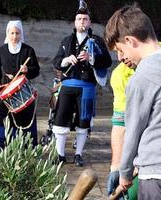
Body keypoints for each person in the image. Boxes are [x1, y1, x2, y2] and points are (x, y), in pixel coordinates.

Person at [105, 4, 161, 199]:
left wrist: (124, 173)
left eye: (120, 50)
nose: (121, 57)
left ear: (130, 40)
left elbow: (133, 130)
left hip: (157, 177)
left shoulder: (140, 78)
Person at [52, 5, 112, 166]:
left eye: (85, 19)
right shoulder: (66, 40)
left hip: (87, 87)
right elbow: (56, 62)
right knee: (60, 119)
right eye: (79, 19)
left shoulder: (97, 41)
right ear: (75, 22)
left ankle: (78, 154)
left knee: (83, 121)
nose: (82, 22)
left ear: (90, 22)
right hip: (67, 85)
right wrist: (66, 60)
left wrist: (92, 58)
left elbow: (107, 61)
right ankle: (60, 155)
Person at [0, 20, 40, 149]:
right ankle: (0, 147)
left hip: (23, 91)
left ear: (21, 33)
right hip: (5, 89)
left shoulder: (28, 50)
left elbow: (36, 70)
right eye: (12, 33)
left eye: (17, 33)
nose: (14, 36)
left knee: (24, 120)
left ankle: (26, 148)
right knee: (3, 119)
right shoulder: (1, 51)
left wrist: (27, 70)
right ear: (8, 33)